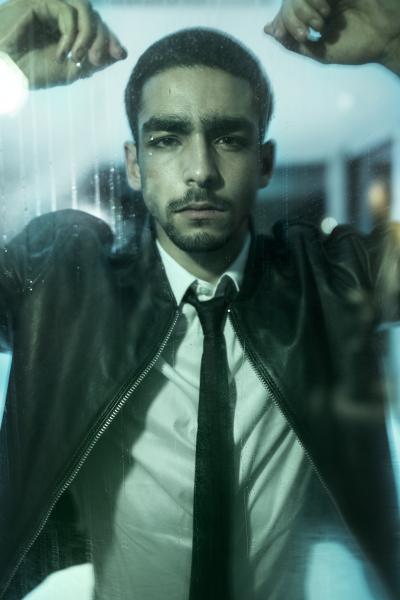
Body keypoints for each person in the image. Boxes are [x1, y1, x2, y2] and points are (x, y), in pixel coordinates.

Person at [0, 1, 399, 599]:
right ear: (134, 165)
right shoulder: (61, 283)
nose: (201, 171)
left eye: (229, 139)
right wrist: (2, 61)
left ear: (264, 163)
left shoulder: (332, 280)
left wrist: (397, 45)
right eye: (167, 139)